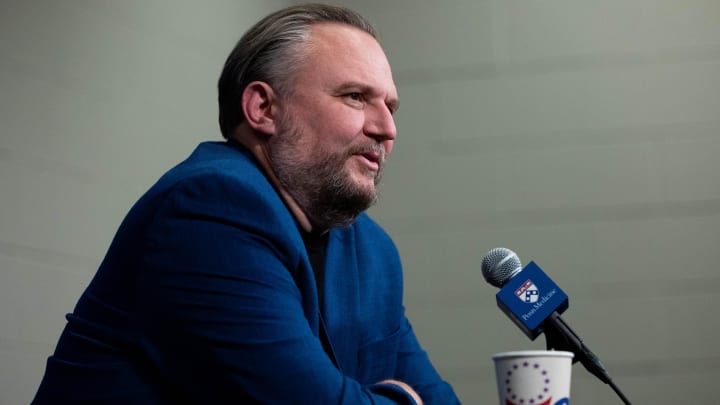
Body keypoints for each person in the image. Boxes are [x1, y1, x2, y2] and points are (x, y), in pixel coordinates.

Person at [33, 4, 460, 404]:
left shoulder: (373, 251)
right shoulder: (209, 212)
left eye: (391, 106)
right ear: (263, 108)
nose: (387, 128)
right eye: (354, 96)